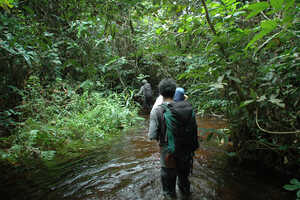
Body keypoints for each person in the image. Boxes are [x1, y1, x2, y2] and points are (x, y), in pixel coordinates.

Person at [148, 79, 199, 200]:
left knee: (169, 191)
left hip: (168, 155)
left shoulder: (157, 111)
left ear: (160, 93)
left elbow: (152, 136)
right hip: (187, 152)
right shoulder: (187, 107)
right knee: (184, 183)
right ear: (174, 92)